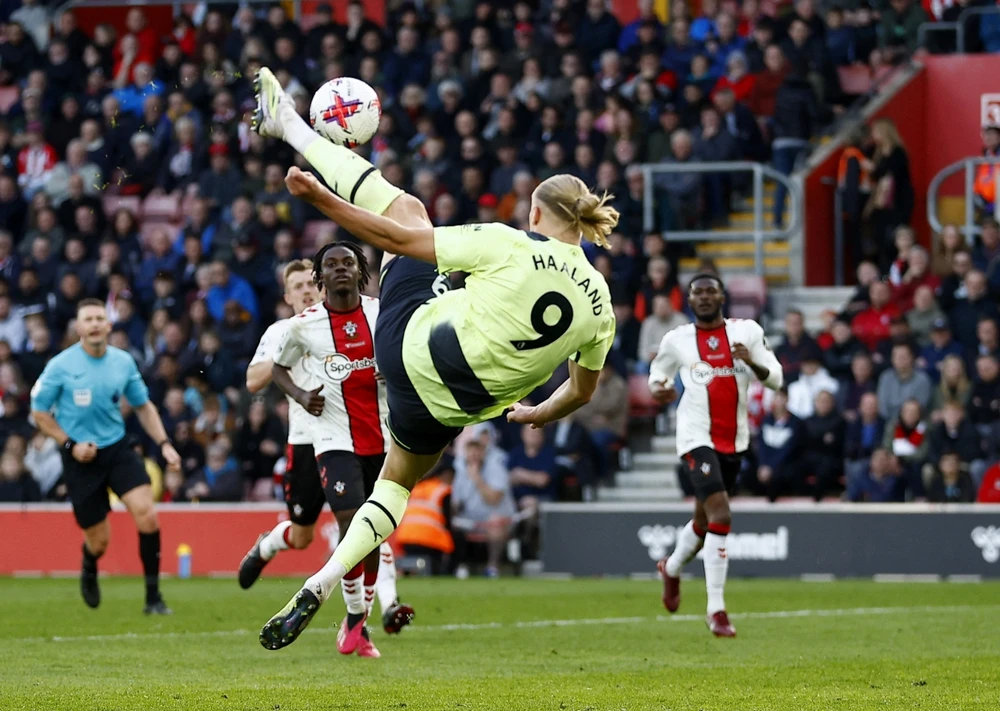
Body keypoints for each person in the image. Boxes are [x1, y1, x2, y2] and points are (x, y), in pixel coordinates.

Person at [251, 67, 616, 649]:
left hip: (404, 347)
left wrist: (322, 199)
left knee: (410, 211)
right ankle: (323, 582)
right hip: (453, 409)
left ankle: (290, 125)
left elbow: (397, 242)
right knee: (396, 485)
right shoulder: (602, 309)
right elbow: (582, 392)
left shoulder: (510, 242)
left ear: (537, 216)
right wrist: (537, 414)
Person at [248, 244, 415, 658]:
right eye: (331, 265)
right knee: (350, 520)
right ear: (322, 279)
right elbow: (278, 369)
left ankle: (357, 621)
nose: (340, 270)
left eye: (348, 263)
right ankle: (358, 617)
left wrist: (391, 366)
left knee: (371, 535)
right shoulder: (302, 326)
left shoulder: (383, 313)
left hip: (384, 437)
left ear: (362, 273)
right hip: (331, 439)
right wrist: (302, 395)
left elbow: (413, 353)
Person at [646, 274, 783, 637]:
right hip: (694, 438)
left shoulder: (747, 332)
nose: (705, 297)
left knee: (705, 523)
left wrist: (751, 363)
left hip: (734, 441)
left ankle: (671, 569)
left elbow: (777, 380)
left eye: (711, 291)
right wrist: (658, 389)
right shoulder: (677, 339)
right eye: (698, 292)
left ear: (723, 296)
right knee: (721, 514)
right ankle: (716, 609)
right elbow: (657, 373)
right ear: (689, 300)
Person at [29, 299, 181, 613]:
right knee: (99, 542)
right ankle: (89, 563)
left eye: (100, 317)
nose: (95, 324)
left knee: (147, 514)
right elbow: (39, 412)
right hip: (79, 456)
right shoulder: (60, 365)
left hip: (116, 448)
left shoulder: (123, 362)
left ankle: (153, 598)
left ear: (109, 325)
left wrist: (164, 442)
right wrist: (69, 444)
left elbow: (143, 406)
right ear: (79, 327)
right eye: (89, 319)